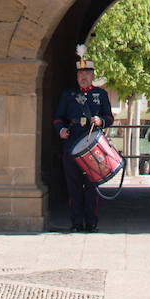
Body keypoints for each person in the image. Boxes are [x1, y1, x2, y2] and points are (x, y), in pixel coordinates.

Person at [53, 45, 114, 233]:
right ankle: (76, 222)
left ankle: (91, 222)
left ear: (93, 75)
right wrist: (61, 129)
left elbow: (110, 118)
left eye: (87, 73)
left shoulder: (100, 95)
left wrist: (100, 120)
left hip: (92, 145)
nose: (83, 76)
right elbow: (57, 118)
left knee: (90, 187)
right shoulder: (68, 95)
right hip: (72, 144)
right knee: (73, 187)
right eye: (80, 73)